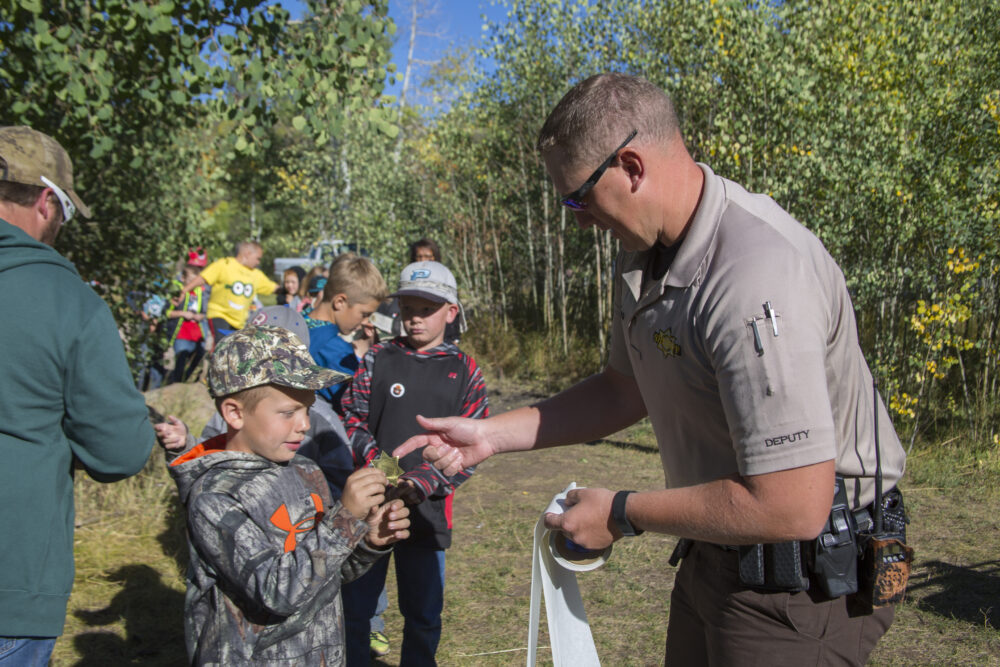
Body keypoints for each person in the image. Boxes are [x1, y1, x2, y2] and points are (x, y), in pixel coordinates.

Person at [394, 73, 908, 665]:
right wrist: (488, 434)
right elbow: (623, 388)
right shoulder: (645, 255)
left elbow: (792, 503)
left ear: (631, 167)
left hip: (799, 587)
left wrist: (621, 512)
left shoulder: (754, 278)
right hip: (718, 551)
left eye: (577, 198)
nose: (578, 220)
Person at [163, 325, 411, 665]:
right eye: (288, 412)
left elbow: (324, 578)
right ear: (234, 413)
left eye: (307, 409)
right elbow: (279, 592)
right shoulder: (214, 499)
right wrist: (345, 519)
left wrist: (369, 542)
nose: (305, 425)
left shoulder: (306, 471)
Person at [0, 125, 155, 664]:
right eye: (65, 212)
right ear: (47, 200)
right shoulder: (68, 302)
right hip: (12, 583)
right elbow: (120, 452)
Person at [341, 260, 488, 666]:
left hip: (428, 514)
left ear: (451, 312)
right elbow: (351, 417)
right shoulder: (378, 359)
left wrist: (421, 483)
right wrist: (386, 473)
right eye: (408, 309)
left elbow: (473, 448)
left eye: (427, 308)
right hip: (369, 508)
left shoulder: (466, 371)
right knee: (356, 609)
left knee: (423, 615)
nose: (415, 318)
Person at [305, 253, 387, 411]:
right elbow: (356, 404)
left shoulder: (299, 323)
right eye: (364, 314)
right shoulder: (336, 352)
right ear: (340, 302)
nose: (365, 322)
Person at [183, 240, 277, 341]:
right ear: (248, 254)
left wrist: (290, 288)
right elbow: (203, 278)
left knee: (233, 351)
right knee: (223, 346)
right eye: (257, 258)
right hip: (219, 314)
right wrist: (184, 291)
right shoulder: (224, 264)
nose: (258, 262)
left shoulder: (256, 274)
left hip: (239, 321)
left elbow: (273, 288)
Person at [166, 251, 210, 383]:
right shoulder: (177, 291)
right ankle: (175, 386)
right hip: (181, 335)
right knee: (180, 362)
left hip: (197, 335)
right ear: (183, 279)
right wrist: (183, 314)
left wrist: (200, 316)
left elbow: (205, 312)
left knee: (198, 362)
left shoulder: (200, 292)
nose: (193, 283)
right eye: (191, 280)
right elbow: (167, 312)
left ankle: (189, 387)